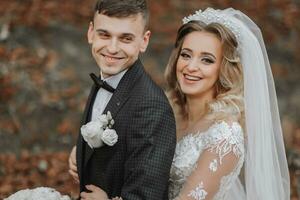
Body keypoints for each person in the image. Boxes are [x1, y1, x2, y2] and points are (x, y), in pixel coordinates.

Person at [165, 8, 290, 200]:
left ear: (224, 69)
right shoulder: (167, 112)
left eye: (207, 60)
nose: (190, 67)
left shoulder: (225, 135)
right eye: (186, 55)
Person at [68, 0, 176, 199]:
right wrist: (82, 152)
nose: (112, 48)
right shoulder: (106, 77)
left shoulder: (152, 107)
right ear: (91, 32)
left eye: (126, 38)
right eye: (105, 35)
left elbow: (147, 194)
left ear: (144, 41)